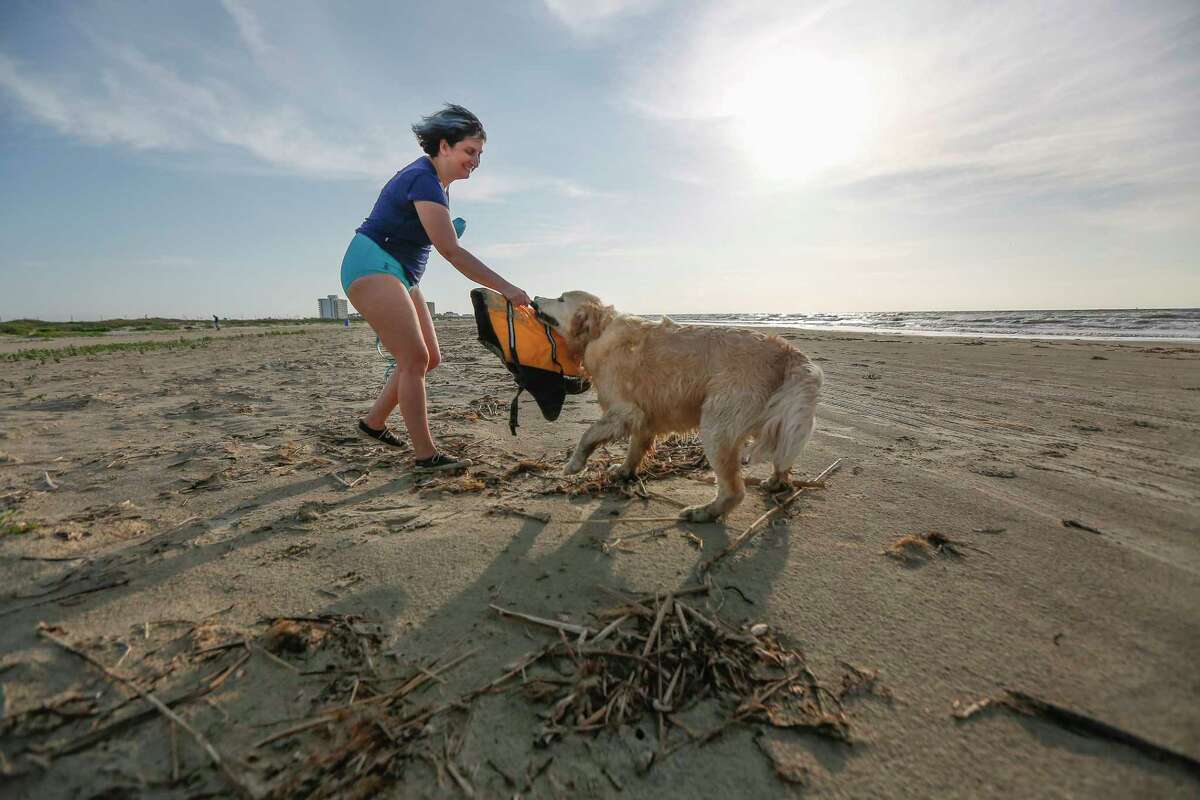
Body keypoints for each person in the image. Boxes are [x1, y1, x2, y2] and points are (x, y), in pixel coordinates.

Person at [340, 104, 531, 470]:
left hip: (400, 273)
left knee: (430, 357)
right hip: (371, 265)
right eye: (469, 152)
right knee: (414, 360)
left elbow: (430, 234)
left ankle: (373, 422)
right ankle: (426, 454)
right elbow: (450, 252)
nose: (475, 162)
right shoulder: (423, 178)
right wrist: (508, 288)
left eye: (479, 155)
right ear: (444, 146)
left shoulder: (438, 183)